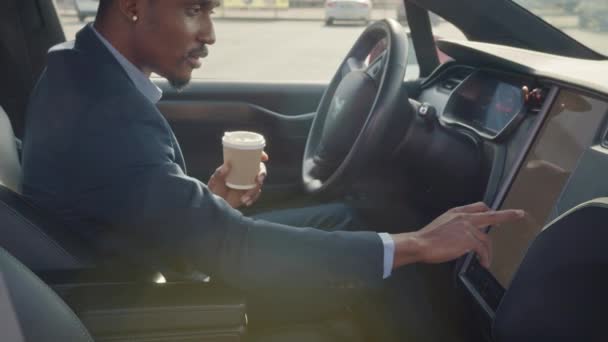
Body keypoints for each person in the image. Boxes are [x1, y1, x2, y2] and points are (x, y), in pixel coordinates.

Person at [21, 0, 524, 339]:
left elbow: (128, 194)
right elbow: (232, 249)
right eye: (195, 9)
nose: (210, 34)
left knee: (348, 220)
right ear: (133, 6)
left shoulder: (80, 68)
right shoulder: (105, 107)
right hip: (143, 298)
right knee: (397, 265)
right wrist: (418, 243)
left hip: (148, 256)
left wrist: (207, 201)